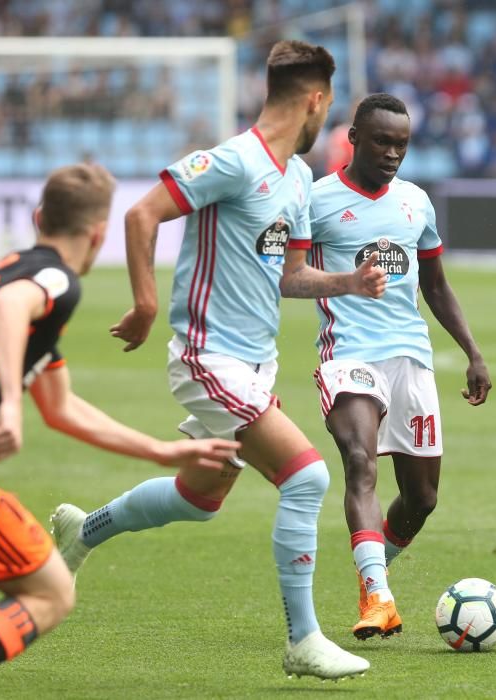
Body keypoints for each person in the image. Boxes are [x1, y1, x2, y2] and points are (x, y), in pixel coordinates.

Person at [49, 41, 386, 680]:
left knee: (200, 495)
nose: (328, 121)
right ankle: (303, 641)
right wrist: (146, 304)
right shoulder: (234, 161)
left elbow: (289, 275)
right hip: (208, 357)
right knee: (307, 477)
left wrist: (347, 281)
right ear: (314, 99)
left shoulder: (295, 179)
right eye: (329, 107)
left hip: (253, 365)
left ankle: (81, 532)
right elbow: (143, 215)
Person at [0, 164, 239, 695]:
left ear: (38, 218)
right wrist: (10, 403)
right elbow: (12, 308)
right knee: (50, 592)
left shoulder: (10, 268)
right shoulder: (56, 278)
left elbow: (61, 408)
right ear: (100, 235)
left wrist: (160, 450)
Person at [307, 93, 491, 640]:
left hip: (410, 355)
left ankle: (375, 566)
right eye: (383, 141)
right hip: (348, 354)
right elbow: (280, 273)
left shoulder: (416, 202)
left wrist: (472, 351)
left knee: (422, 498)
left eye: (402, 144)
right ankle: (376, 595)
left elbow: (435, 284)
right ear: (355, 139)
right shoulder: (315, 202)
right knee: (360, 461)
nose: (392, 153)